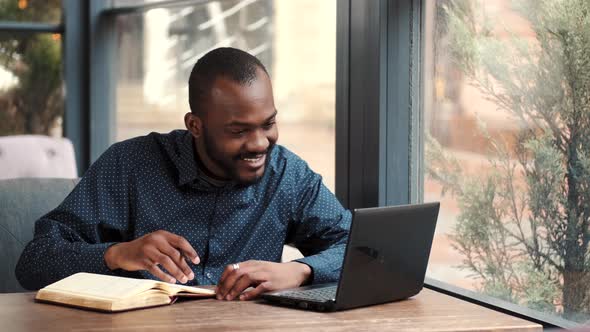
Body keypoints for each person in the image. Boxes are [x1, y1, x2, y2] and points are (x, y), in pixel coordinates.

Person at [15, 47, 351, 301]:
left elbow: (361, 248)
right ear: (195, 125)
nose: (260, 143)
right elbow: (35, 261)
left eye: (268, 124)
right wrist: (118, 254)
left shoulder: (286, 175)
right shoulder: (130, 164)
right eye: (238, 131)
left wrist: (301, 271)